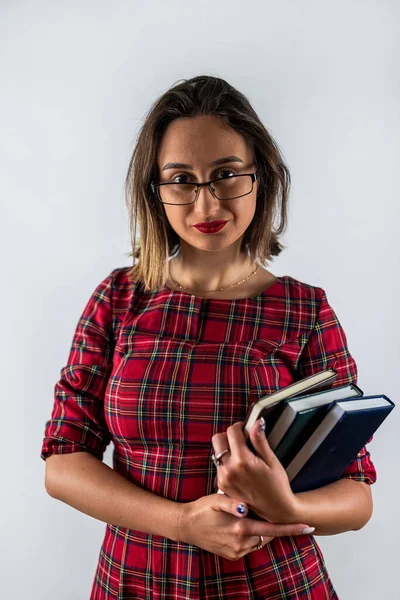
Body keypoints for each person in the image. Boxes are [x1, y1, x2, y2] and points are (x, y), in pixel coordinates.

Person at [41, 75, 377, 599]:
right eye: (181, 179)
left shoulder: (306, 310)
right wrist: (180, 522)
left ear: (259, 177)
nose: (206, 204)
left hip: (274, 585)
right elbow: (62, 463)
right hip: (137, 580)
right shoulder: (117, 300)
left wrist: (288, 508)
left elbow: (357, 496)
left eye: (226, 174)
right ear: (154, 189)